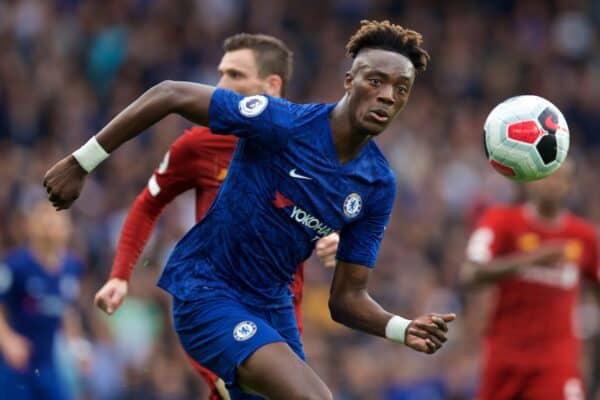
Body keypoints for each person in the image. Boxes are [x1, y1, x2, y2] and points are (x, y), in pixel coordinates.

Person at [44, 20, 456, 399]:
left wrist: (403, 328)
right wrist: (82, 161)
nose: (388, 95)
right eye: (376, 80)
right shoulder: (283, 124)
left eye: (401, 89)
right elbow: (169, 93)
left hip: (272, 309)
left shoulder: (378, 185)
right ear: (350, 81)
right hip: (207, 291)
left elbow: (346, 299)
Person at [92, 32, 340, 400]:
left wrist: (335, 237)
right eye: (221, 74)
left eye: (236, 76)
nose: (221, 85)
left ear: (272, 85)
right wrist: (120, 275)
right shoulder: (200, 143)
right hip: (217, 299)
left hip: (280, 303)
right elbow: (149, 203)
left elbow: (336, 213)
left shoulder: (308, 145)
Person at [461, 160, 599, 400]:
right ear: (531, 181)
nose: (552, 184)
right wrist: (527, 261)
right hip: (504, 359)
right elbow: (470, 274)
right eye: (547, 176)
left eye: (561, 178)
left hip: (556, 363)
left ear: (570, 185)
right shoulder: (502, 221)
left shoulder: (584, 238)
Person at [0, 200, 85, 400]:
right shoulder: (15, 265)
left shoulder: (72, 267)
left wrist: (78, 346)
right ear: (30, 225)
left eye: (57, 218)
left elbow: (67, 309)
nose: (51, 222)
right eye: (44, 216)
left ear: (69, 228)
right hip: (13, 365)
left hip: (47, 364)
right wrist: (7, 340)